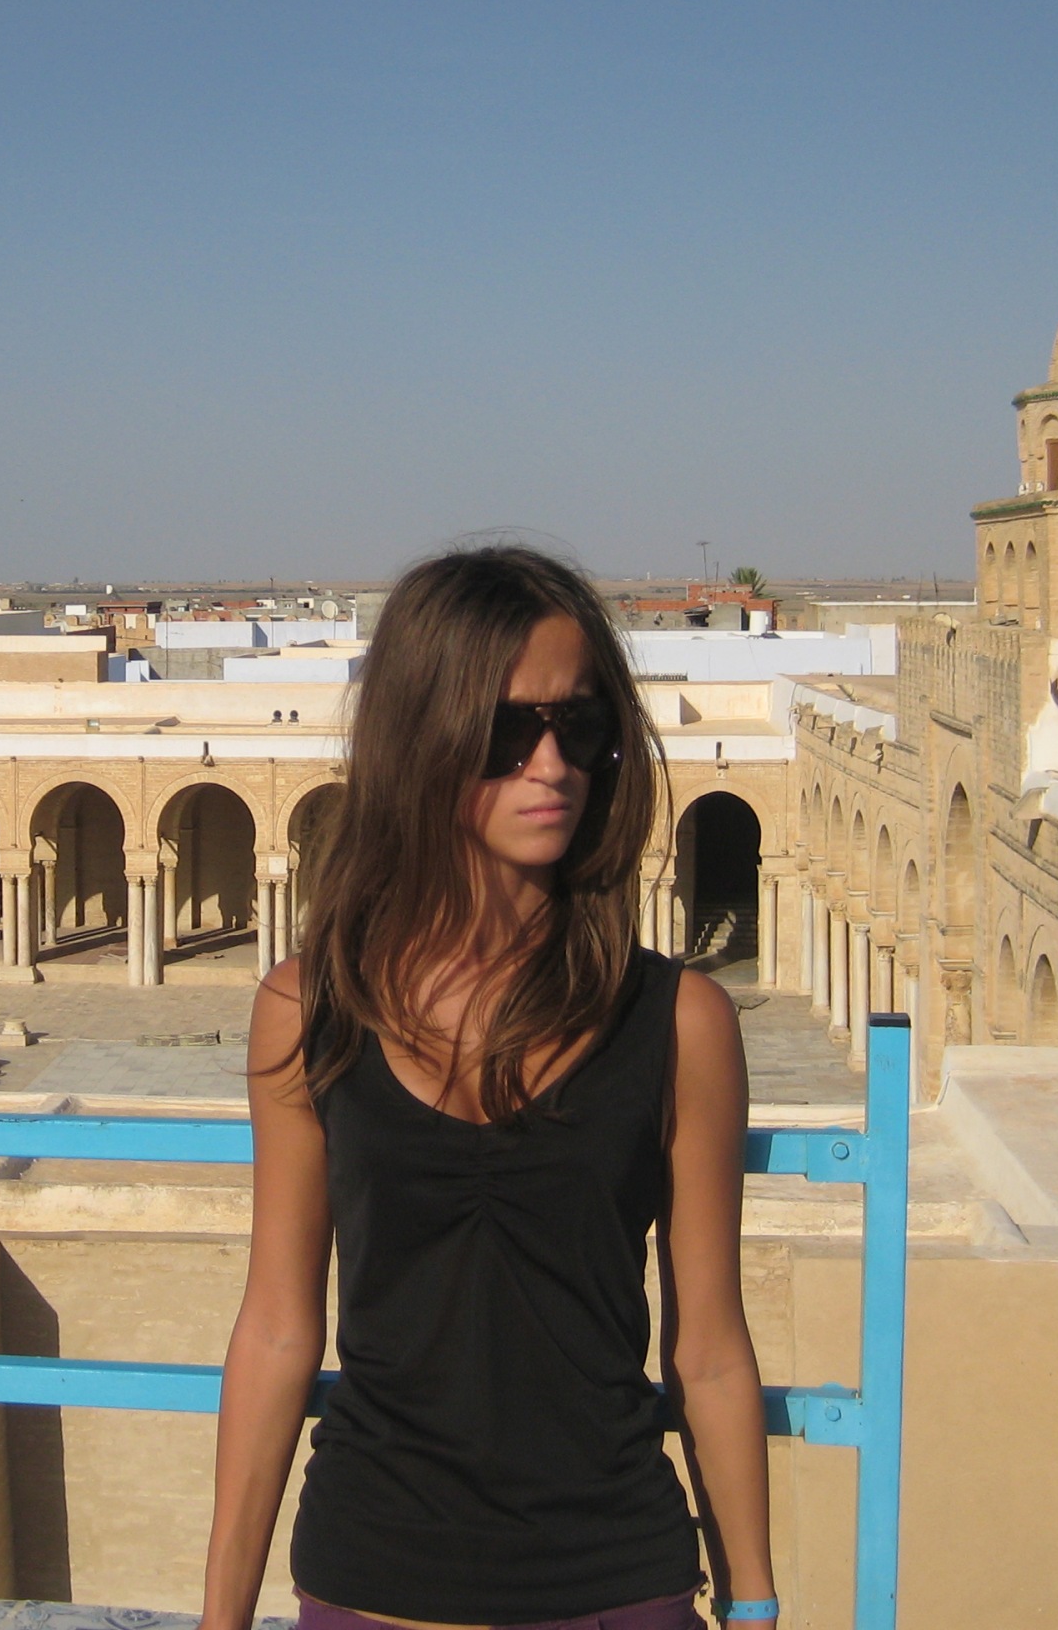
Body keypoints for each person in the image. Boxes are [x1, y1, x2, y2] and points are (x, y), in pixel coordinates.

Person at [200, 546, 777, 1630]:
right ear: (422, 739)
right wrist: (220, 1617)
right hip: (375, 1575)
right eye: (508, 733)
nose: (551, 766)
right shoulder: (310, 1010)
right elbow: (277, 1327)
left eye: (580, 726)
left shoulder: (680, 1023)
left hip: (615, 1577)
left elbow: (707, 1347)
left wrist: (753, 1601)